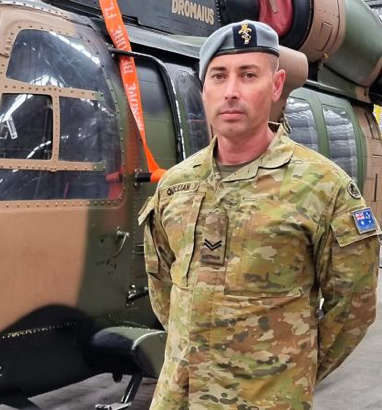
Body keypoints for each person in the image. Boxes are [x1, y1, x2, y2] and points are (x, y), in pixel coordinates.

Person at [138, 20, 380, 409]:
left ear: (276, 85)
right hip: (178, 397)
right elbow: (162, 283)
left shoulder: (324, 187)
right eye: (218, 76)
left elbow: (353, 308)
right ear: (204, 89)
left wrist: (289, 371)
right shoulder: (176, 185)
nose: (231, 91)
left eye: (248, 75)